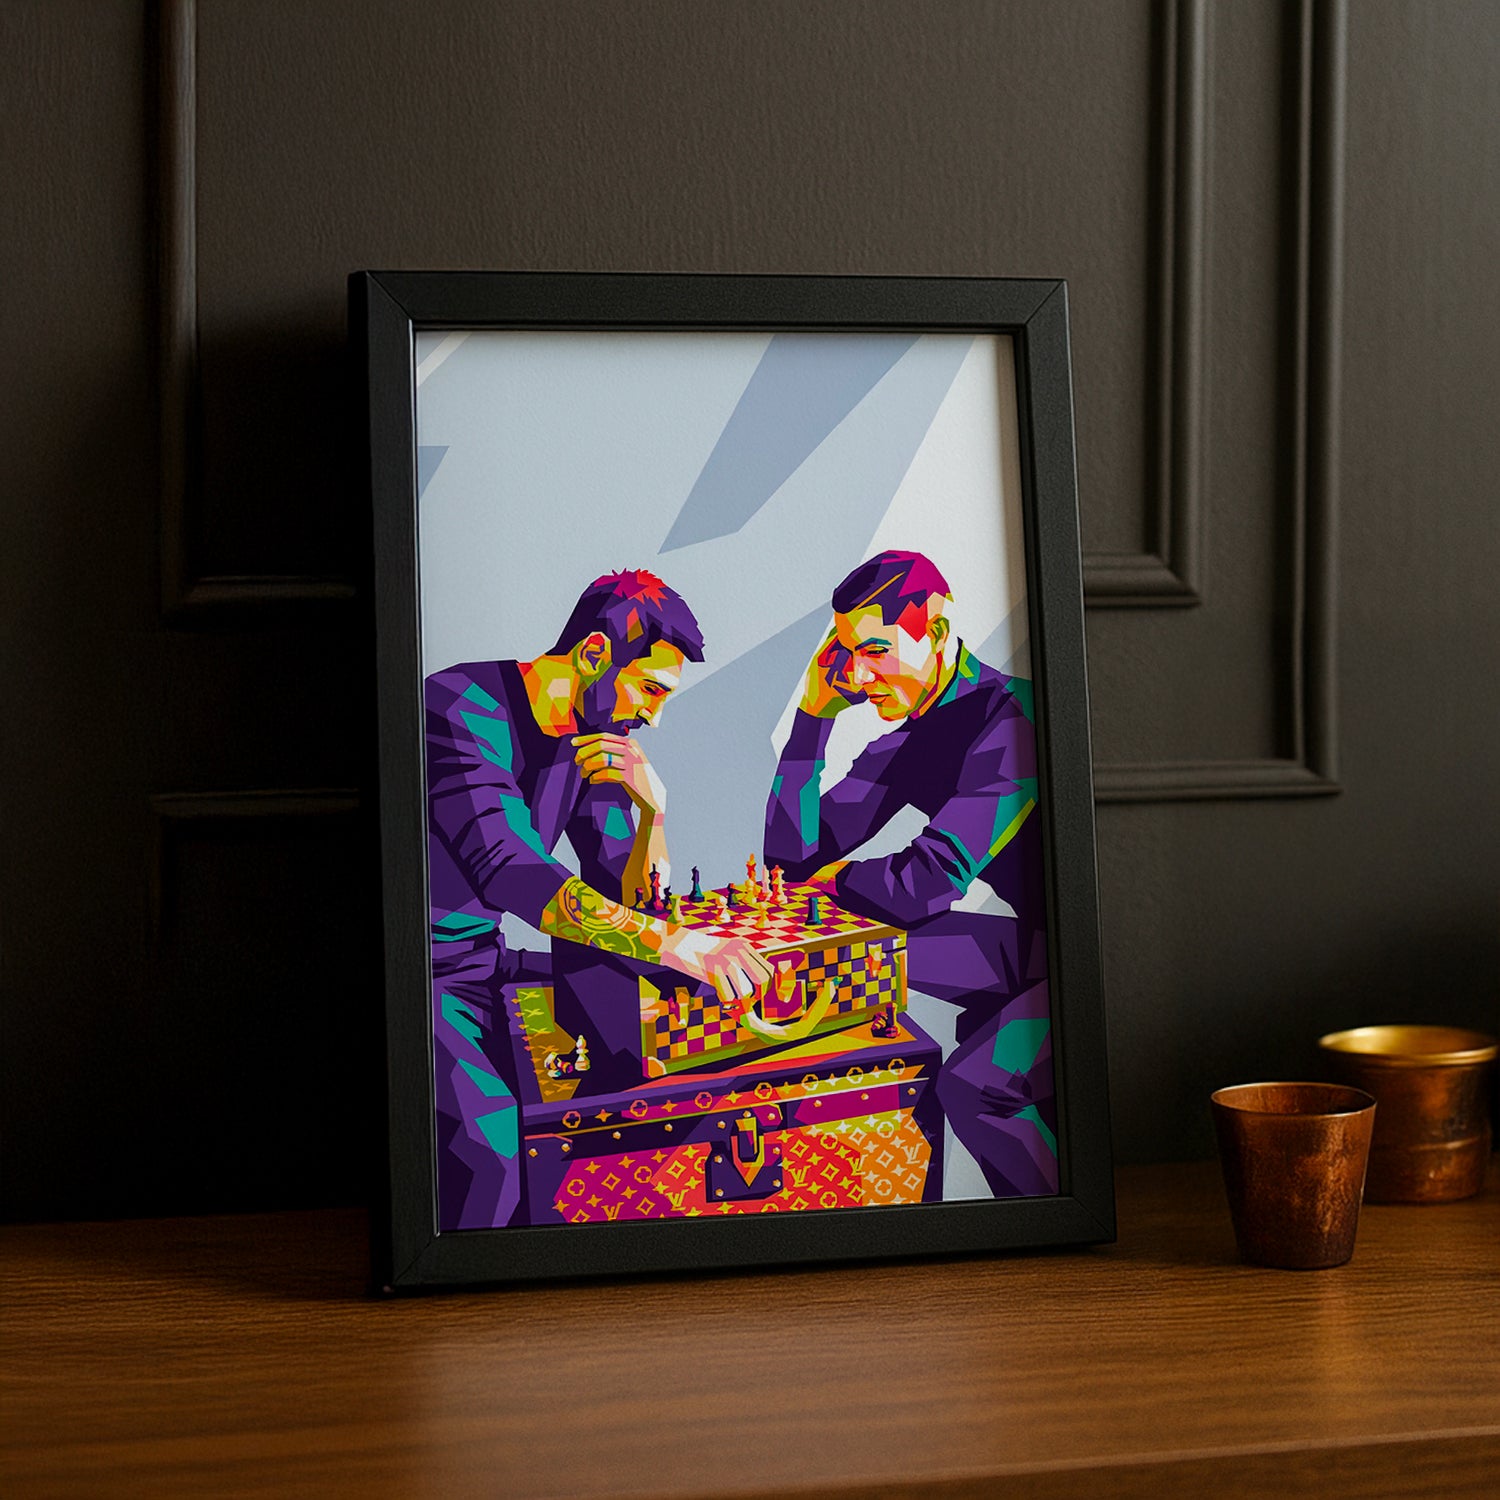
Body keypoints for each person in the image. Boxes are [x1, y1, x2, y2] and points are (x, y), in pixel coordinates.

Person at [427, 569, 773, 1228]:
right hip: (429, 974)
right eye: (650, 689)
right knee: (492, 1155)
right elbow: (511, 871)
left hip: (490, 964)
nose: (654, 716)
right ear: (593, 655)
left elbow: (626, 895)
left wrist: (653, 815)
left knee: (665, 1028)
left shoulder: (595, 737)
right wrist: (677, 944)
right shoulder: (457, 706)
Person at [764, 550, 1056, 1197]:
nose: (859, 675)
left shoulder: (1013, 719)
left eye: (875, 650)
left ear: (938, 631)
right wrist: (812, 719)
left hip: (1093, 963)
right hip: (1034, 948)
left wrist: (839, 880)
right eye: (847, 655)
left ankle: (1054, 1233)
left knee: (979, 1086)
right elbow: (791, 863)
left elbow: (929, 882)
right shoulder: (903, 740)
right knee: (857, 951)